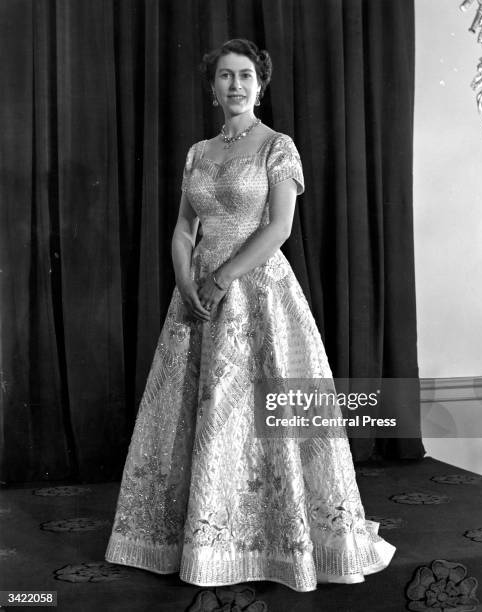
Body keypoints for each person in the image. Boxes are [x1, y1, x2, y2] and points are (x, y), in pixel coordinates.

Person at [105, 38, 395, 592]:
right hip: (196, 299)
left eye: (244, 76)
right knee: (199, 415)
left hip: (256, 290)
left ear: (259, 84)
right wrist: (186, 279)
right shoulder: (198, 153)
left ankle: (280, 544)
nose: (234, 85)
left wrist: (221, 277)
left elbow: (279, 227)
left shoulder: (277, 147)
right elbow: (183, 229)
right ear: (212, 87)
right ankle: (202, 543)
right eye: (223, 77)